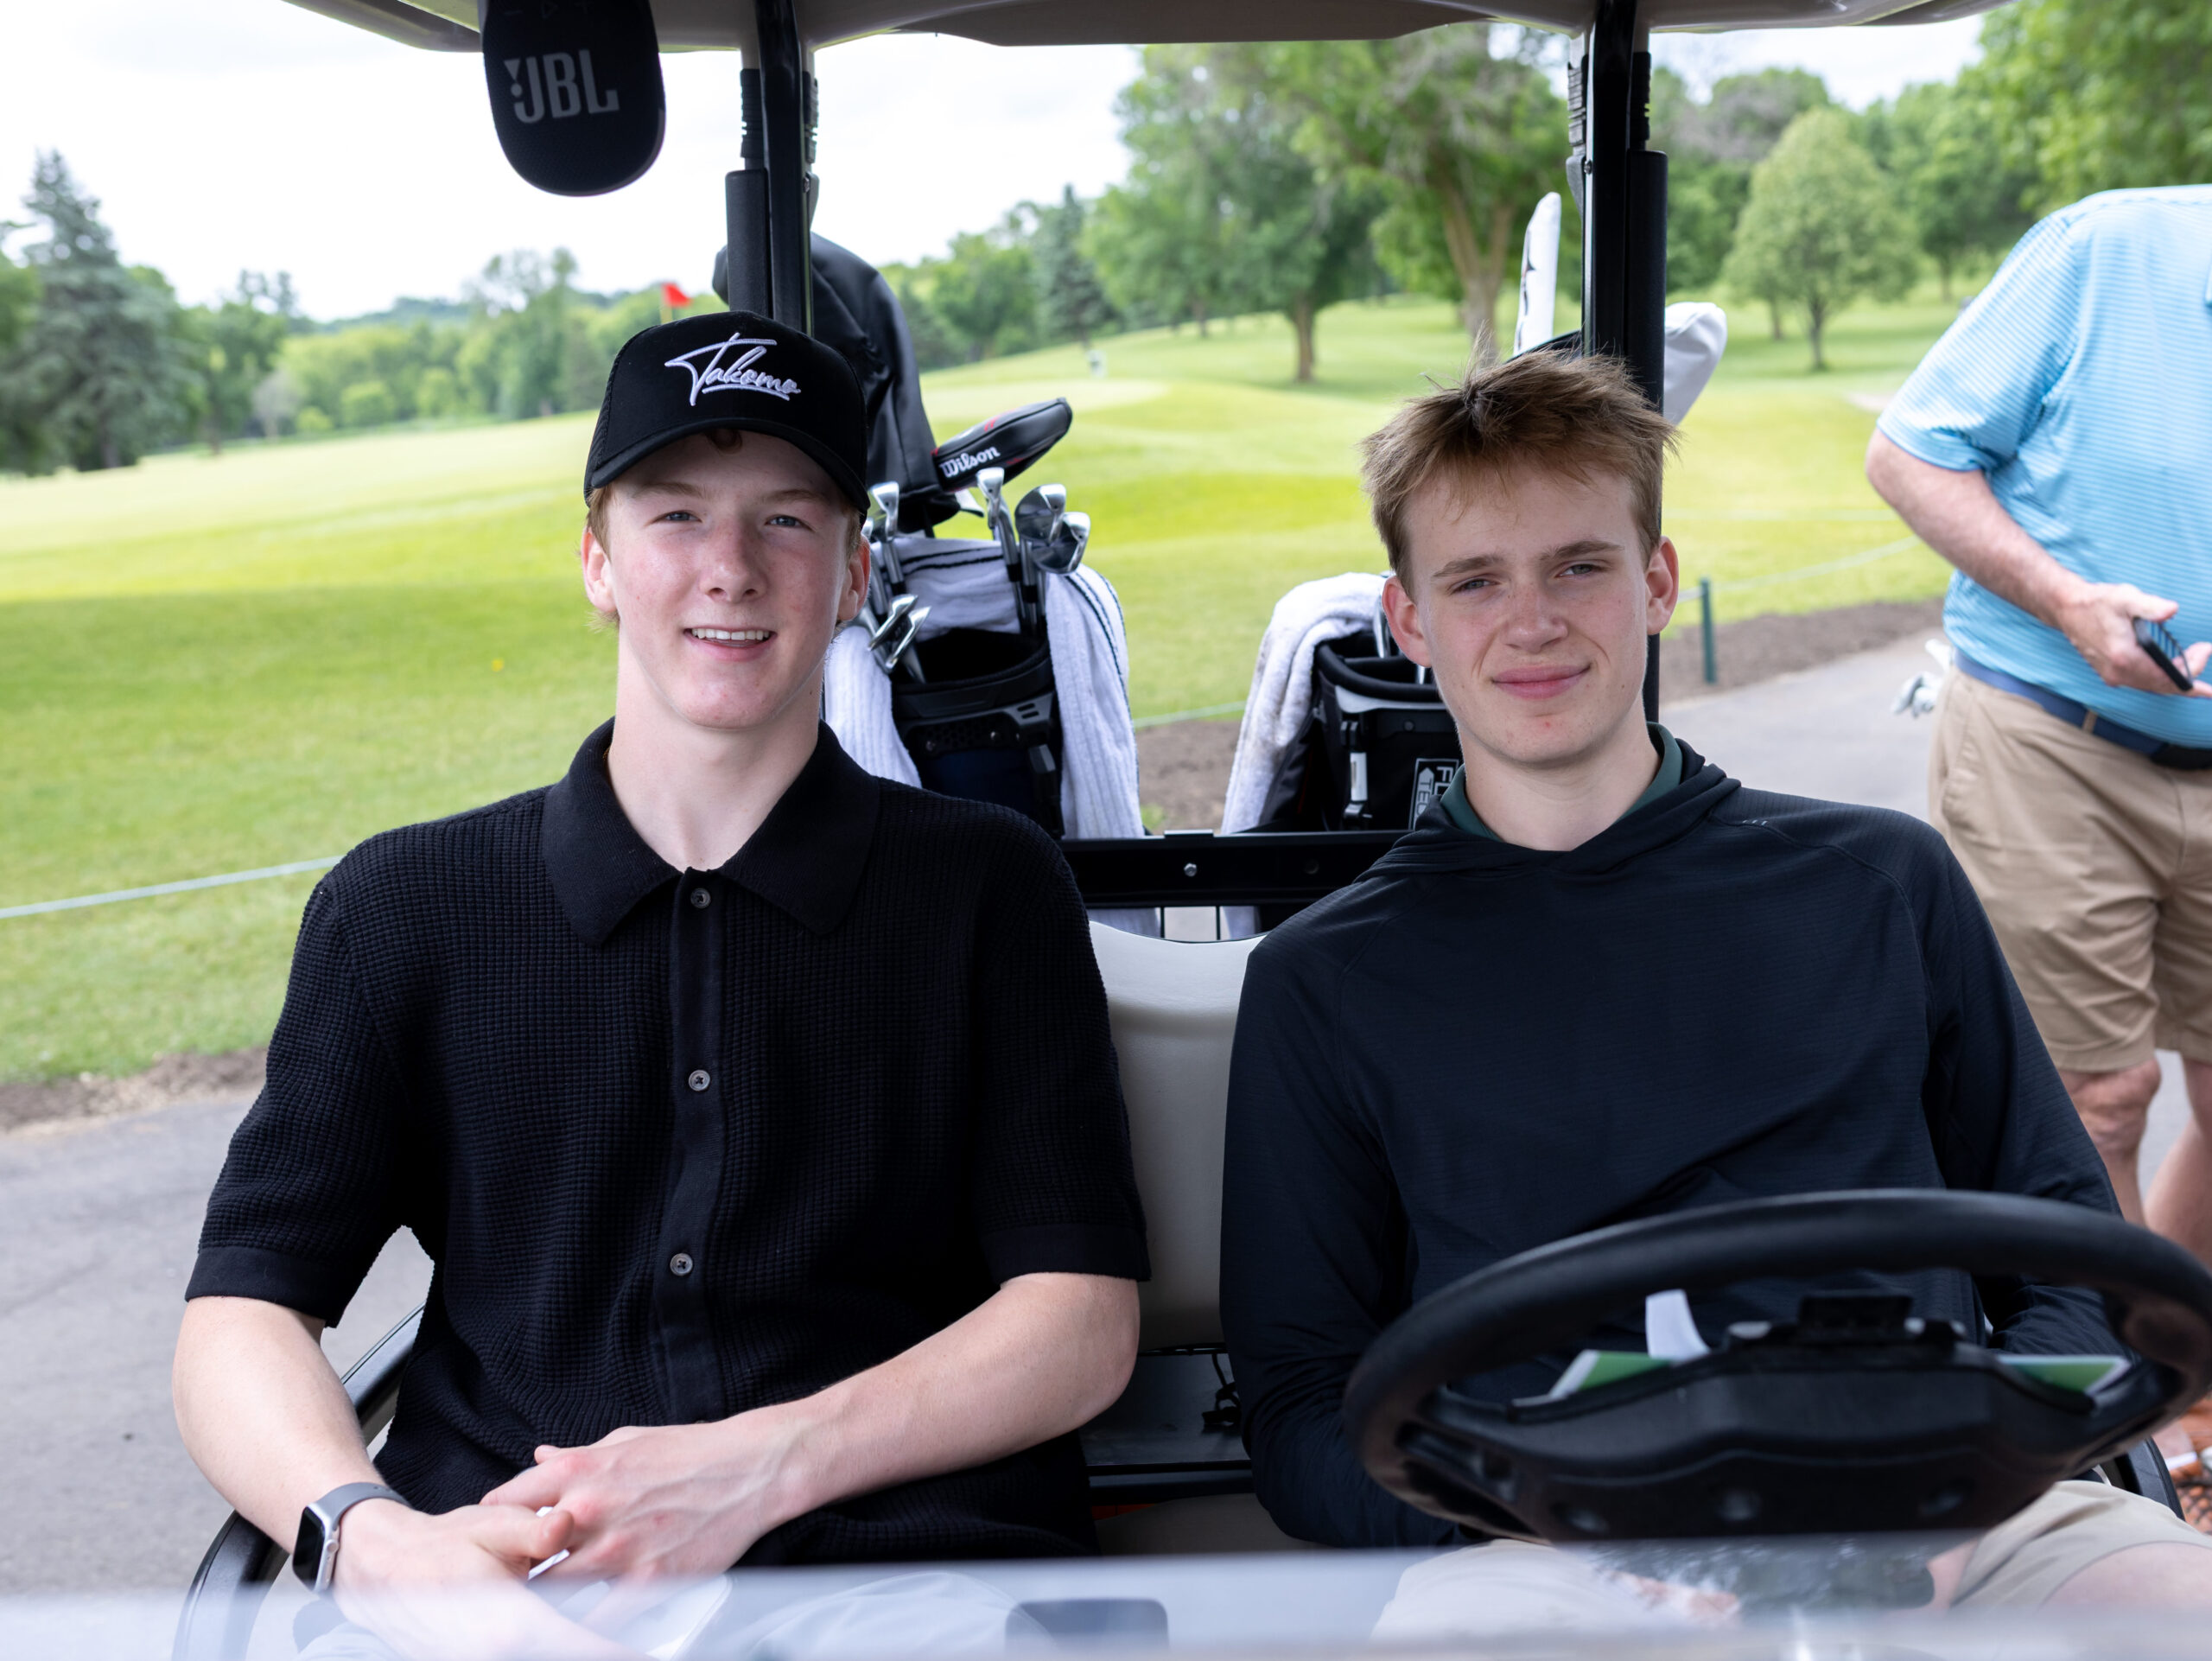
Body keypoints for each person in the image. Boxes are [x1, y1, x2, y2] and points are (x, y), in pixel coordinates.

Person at [172, 311, 1148, 1654]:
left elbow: (1081, 1317)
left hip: (898, 1587)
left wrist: (755, 1466)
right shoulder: (403, 910)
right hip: (500, 1584)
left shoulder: (986, 889)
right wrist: (372, 1538)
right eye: (676, 515)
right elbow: (243, 1311)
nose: (730, 569)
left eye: (786, 520)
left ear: (855, 570)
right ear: (598, 560)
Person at [1219, 348, 2212, 1613]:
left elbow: (2076, 1270)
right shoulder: (1327, 979)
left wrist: (1962, 1489)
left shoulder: (1882, 883)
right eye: (1475, 580)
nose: (1533, 620)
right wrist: (1567, 1527)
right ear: (1409, 620)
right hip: (1555, 1544)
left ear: (1657, 583)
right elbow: (1302, 1415)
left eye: (1579, 566)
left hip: (1953, 1494)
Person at [1866, 188, 2212, 1257]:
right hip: (2053, 743)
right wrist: (2068, 601)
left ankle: (2179, 1341)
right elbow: (1907, 456)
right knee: (2098, 1100)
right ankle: (2126, 1359)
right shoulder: (2098, 251)